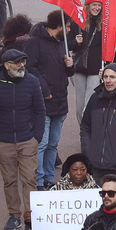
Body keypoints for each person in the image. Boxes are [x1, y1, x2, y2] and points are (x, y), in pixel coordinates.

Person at [0, 48, 45, 230]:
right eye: (18, 63)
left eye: (23, 62)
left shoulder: (32, 82)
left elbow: (40, 111)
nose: (22, 65)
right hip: (3, 142)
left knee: (29, 179)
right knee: (9, 180)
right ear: (7, 66)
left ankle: (31, 217)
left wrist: (37, 137)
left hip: (28, 140)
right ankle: (14, 216)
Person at [25, 10, 75, 190]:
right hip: (43, 102)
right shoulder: (34, 43)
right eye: (68, 27)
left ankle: (48, 178)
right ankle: (38, 181)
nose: (69, 30)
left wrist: (70, 66)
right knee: (42, 143)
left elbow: (66, 70)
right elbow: (30, 68)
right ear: (59, 26)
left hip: (61, 102)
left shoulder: (61, 43)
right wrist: (44, 89)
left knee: (53, 144)